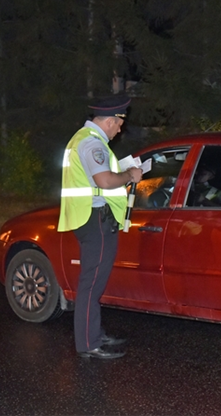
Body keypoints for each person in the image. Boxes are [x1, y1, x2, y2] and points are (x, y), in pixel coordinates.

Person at [57, 95, 143, 360]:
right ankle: (89, 343)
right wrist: (130, 175)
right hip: (94, 219)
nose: (120, 129)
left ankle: (93, 333)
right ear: (108, 121)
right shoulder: (92, 144)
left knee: (93, 281)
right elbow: (104, 181)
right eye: (119, 124)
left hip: (87, 217)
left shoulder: (80, 139)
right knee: (92, 284)